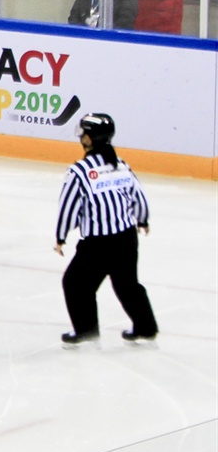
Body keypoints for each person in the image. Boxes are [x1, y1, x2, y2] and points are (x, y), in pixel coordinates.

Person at [54, 113, 157, 349]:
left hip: (97, 244)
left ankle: (87, 331)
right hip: (126, 238)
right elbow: (138, 196)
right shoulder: (121, 165)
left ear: (89, 138)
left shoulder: (79, 171)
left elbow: (68, 206)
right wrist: (142, 220)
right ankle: (146, 327)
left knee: (76, 283)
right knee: (127, 284)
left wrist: (60, 236)